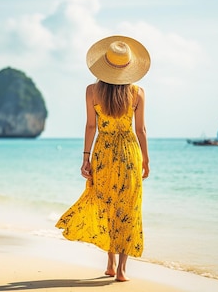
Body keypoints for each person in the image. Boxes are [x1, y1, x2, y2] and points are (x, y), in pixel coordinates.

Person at [56, 35, 151, 282]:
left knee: (107, 206)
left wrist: (86, 158)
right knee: (128, 209)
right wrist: (146, 160)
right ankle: (121, 270)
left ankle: (108, 263)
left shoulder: (92, 91)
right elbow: (140, 130)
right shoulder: (138, 93)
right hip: (129, 153)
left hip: (103, 152)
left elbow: (90, 126)